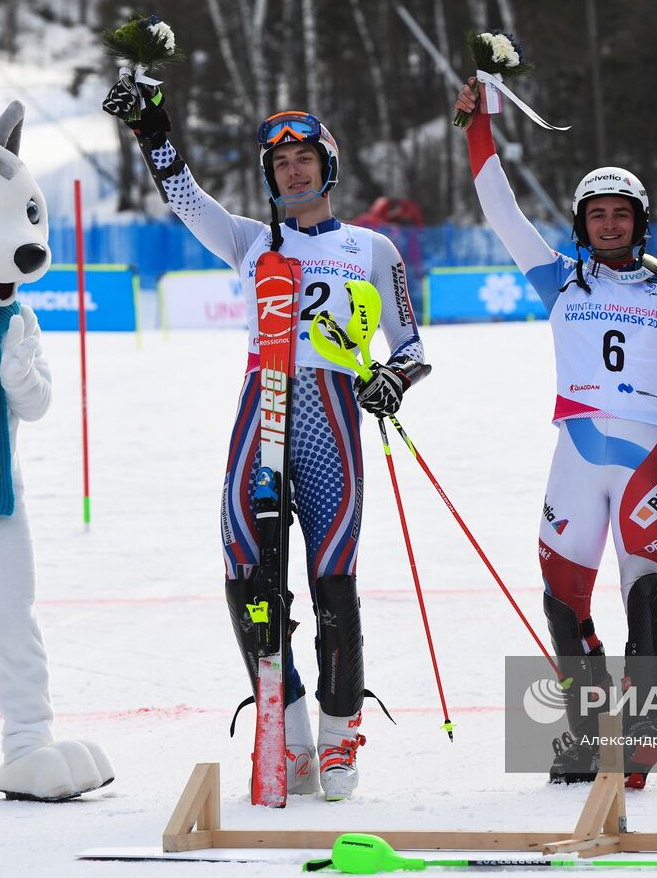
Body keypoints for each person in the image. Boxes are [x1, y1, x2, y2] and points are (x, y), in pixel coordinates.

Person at [103, 75, 428, 801]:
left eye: (305, 159)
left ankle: (342, 734)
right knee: (244, 568)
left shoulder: (372, 248)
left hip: (334, 416)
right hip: (265, 405)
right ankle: (289, 724)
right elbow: (185, 198)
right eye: (280, 164)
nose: (293, 170)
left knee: (333, 575)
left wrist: (394, 380)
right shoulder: (250, 240)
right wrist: (152, 129)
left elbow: (410, 344)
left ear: (328, 166)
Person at [454, 78, 657, 789]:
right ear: (582, 222)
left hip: (645, 460)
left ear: (641, 222)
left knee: (645, 595)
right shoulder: (558, 279)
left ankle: (646, 732)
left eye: (622, 215)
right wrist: (476, 124)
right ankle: (588, 730)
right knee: (563, 599)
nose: (610, 225)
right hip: (576, 456)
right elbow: (500, 206)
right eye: (598, 215)